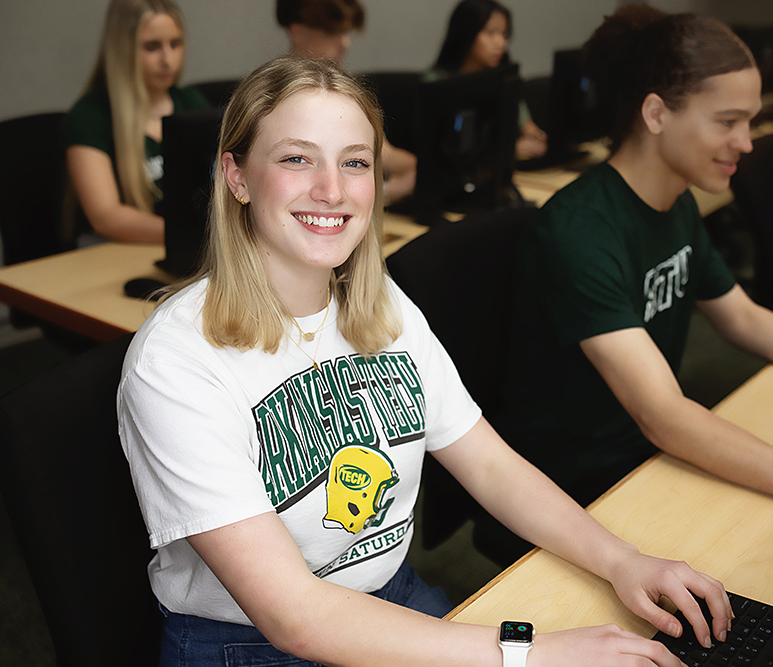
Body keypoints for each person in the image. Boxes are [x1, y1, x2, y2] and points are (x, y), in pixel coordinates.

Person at [118, 56, 733, 667]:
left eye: (355, 162)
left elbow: (490, 466)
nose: (332, 189)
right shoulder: (175, 360)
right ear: (238, 176)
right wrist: (530, 655)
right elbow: (295, 618)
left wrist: (622, 560)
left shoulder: (381, 304)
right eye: (296, 158)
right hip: (251, 644)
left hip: (388, 596)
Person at [481, 6, 773, 567]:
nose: (746, 143)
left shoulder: (674, 200)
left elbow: (741, 316)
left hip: (646, 447)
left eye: (747, 121)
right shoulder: (580, 231)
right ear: (656, 113)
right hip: (579, 479)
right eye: (727, 122)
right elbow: (663, 413)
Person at [64, 0, 208, 245]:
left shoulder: (191, 102)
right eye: (152, 47)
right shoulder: (90, 116)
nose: (168, 59)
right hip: (115, 250)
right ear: (122, 49)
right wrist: (191, 235)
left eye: (175, 44)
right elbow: (105, 217)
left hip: (182, 247)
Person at [276, 0, 417, 205]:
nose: (345, 43)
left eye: (346, 33)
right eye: (333, 33)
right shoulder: (274, 99)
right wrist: (388, 191)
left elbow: (387, 156)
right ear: (297, 31)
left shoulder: (344, 94)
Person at [428, 0, 548, 161]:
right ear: (467, 32)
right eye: (490, 33)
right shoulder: (437, 83)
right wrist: (507, 150)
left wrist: (536, 136)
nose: (501, 43)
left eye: (504, 34)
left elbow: (527, 127)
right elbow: (443, 152)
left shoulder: (503, 79)